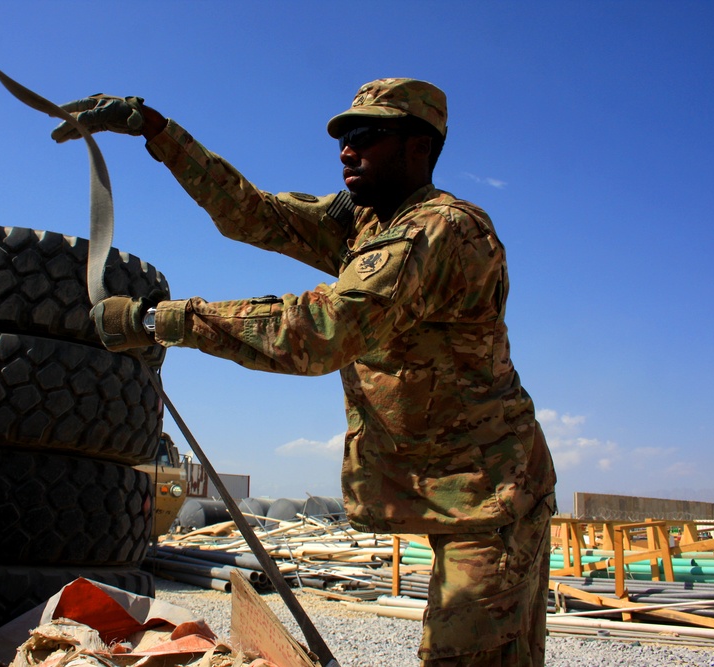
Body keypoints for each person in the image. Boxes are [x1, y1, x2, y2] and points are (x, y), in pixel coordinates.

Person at [52, 78, 557, 666]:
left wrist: (162, 322)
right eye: (344, 136)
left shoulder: (437, 230)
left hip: (492, 494)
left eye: (367, 135)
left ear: (419, 147)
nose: (347, 148)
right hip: (455, 487)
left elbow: (323, 331)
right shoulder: (367, 224)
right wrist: (158, 132)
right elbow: (251, 214)